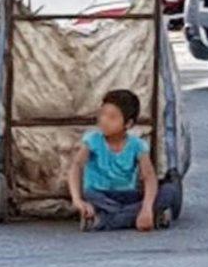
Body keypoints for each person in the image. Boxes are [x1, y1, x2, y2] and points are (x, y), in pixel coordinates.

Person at [68, 89, 174, 232]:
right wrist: (77, 200)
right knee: (92, 195)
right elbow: (77, 166)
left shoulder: (137, 145)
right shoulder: (93, 140)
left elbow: (149, 176)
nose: (104, 120)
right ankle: (146, 217)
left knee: (169, 191)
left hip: (127, 195)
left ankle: (103, 221)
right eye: (102, 114)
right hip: (100, 195)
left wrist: (147, 208)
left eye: (112, 117)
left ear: (128, 124)